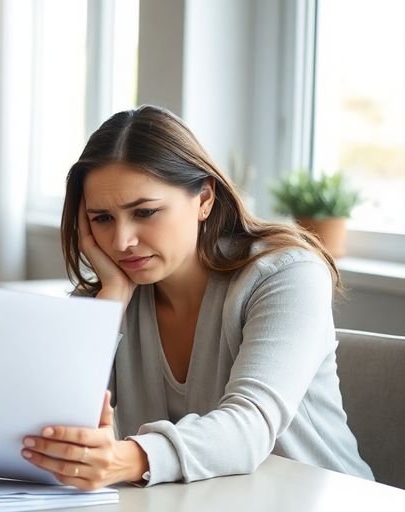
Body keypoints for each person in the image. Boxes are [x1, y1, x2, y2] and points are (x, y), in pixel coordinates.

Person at [20, 105, 372, 489]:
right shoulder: (110, 296)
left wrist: (131, 458)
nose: (122, 242)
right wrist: (112, 300)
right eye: (102, 218)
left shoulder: (287, 274)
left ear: (204, 198)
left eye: (145, 212)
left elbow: (250, 425)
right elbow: (54, 428)